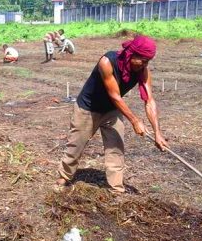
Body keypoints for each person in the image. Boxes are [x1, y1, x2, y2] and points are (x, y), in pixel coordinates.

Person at [56, 36, 168, 193]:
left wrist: (157, 133)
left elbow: (149, 100)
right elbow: (115, 95)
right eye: (142, 60)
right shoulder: (107, 62)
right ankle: (65, 176)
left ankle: (116, 188)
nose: (144, 65)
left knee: (116, 147)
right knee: (76, 145)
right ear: (131, 54)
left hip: (112, 110)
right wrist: (135, 121)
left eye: (147, 61)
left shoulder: (142, 71)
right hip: (88, 108)